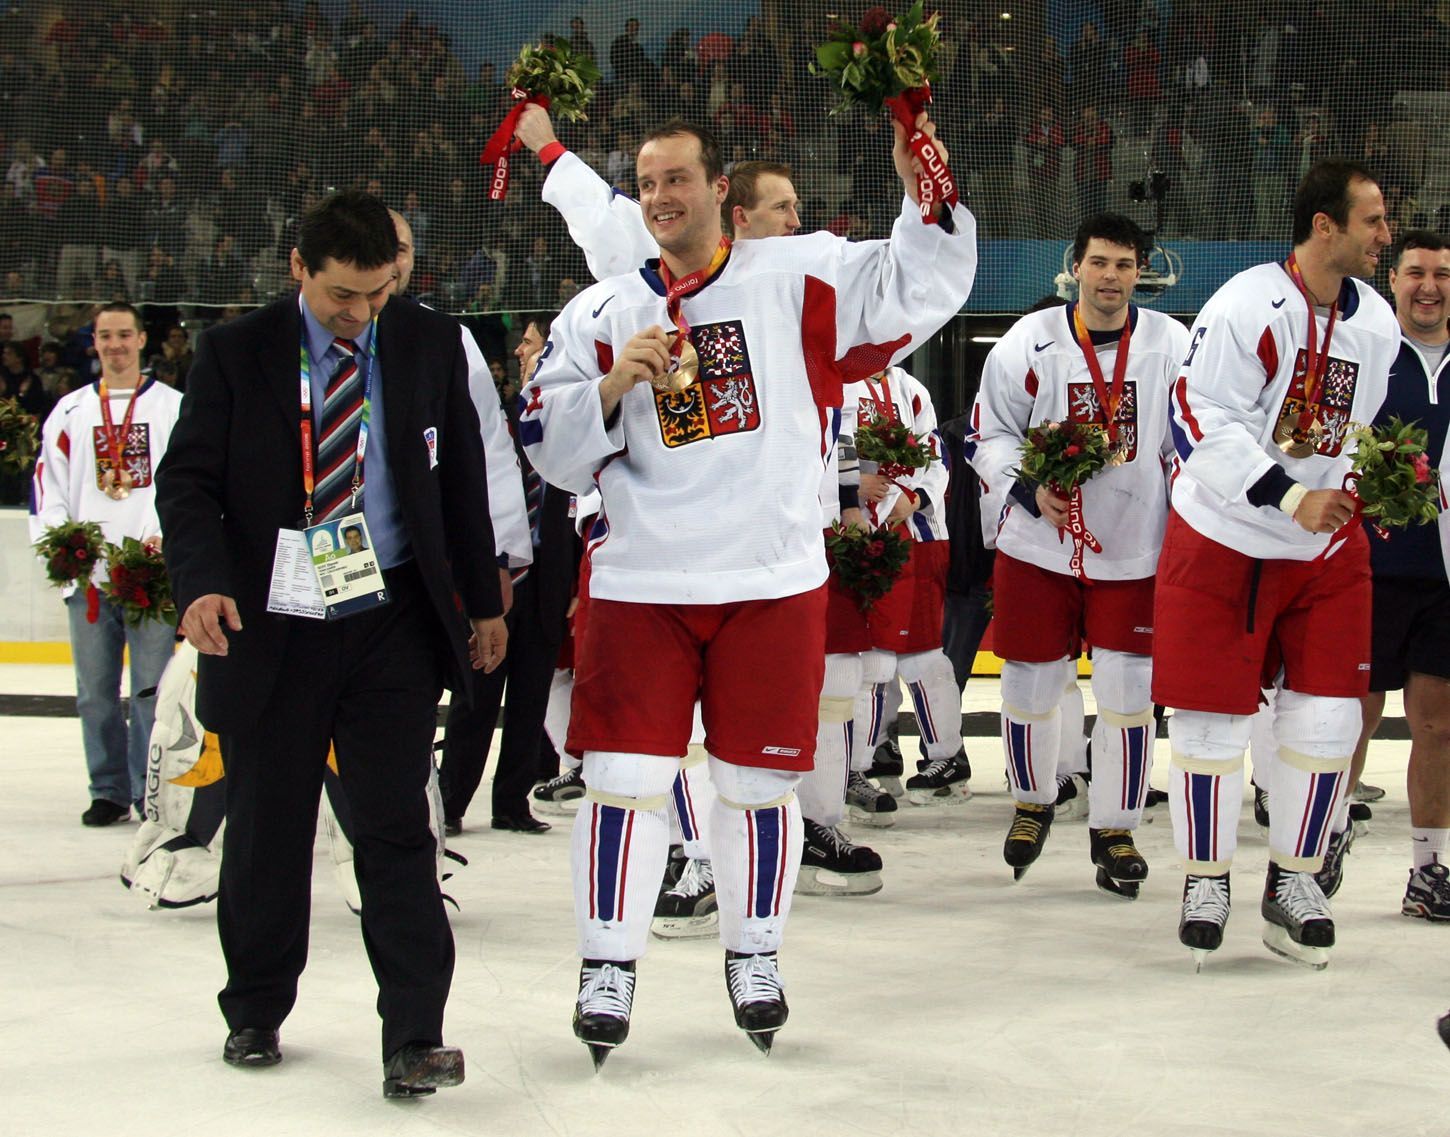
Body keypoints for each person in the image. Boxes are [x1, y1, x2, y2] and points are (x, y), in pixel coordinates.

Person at [519, 115, 976, 1064]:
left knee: (758, 784)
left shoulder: (795, 272)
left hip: (771, 577)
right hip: (642, 581)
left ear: (718, 188)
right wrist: (609, 391)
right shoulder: (599, 313)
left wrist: (920, 181)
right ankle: (609, 962)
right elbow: (550, 449)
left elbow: (917, 281)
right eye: (645, 184)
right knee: (625, 781)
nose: (659, 198)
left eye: (677, 178)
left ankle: (755, 950)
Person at [154, 190, 507, 1098]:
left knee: (397, 827)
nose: (360, 315)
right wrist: (200, 583)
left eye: (378, 295)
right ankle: (256, 1008)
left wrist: (482, 597)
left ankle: (415, 1033)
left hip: (389, 621)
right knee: (269, 828)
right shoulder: (237, 354)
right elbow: (187, 482)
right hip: (274, 624)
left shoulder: (427, 343)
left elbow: (460, 475)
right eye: (343, 296)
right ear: (298, 269)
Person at [1156, 160, 1399, 969]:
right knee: (1211, 721)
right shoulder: (1246, 303)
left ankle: (1295, 879)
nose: (1385, 236)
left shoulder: (1379, 324)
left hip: (1325, 548)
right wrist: (1286, 494)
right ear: (1324, 225)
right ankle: (1205, 878)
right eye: (1372, 220)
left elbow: (1352, 432)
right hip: (1224, 536)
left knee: (1331, 720)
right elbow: (1194, 415)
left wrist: (1365, 485)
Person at [968, 213, 1188, 897]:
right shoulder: (1028, 340)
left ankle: (1114, 827)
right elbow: (989, 431)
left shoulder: (1172, 342)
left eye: (1125, 265)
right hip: (1040, 544)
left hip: (1134, 543)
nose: (1112, 277)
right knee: (1030, 682)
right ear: (1076, 266)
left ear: (1139, 272)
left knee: (1127, 694)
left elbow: (1194, 431)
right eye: (1100, 263)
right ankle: (1033, 802)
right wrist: (1028, 489)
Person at [30, 300, 182, 826]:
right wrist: (61, 543)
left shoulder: (173, 408)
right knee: (94, 694)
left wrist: (162, 541)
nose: (114, 344)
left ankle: (149, 790)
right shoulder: (70, 411)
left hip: (152, 578)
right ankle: (109, 790)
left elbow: (188, 487)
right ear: (93, 342)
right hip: (91, 579)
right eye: (104, 336)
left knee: (149, 693)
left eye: (124, 334)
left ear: (143, 340)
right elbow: (47, 485)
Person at [1344, 230, 1450, 917]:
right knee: (1349, 715)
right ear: (1395, 281)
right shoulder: (1368, 354)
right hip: (1366, 566)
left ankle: (1429, 867)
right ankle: (1318, 842)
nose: (1430, 286)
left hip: (1445, 575)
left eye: (1442, 274)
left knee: (1437, 724)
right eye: (1416, 271)